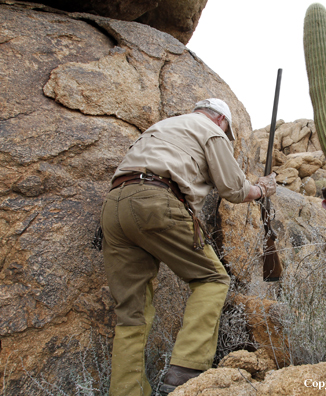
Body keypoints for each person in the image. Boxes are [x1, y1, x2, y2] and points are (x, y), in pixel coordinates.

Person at [100, 98, 277, 396]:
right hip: (156, 201)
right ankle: (186, 371)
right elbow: (232, 188)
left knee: (131, 314)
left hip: (114, 208)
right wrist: (261, 189)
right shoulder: (210, 130)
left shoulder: (160, 128)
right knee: (213, 279)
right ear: (221, 119)